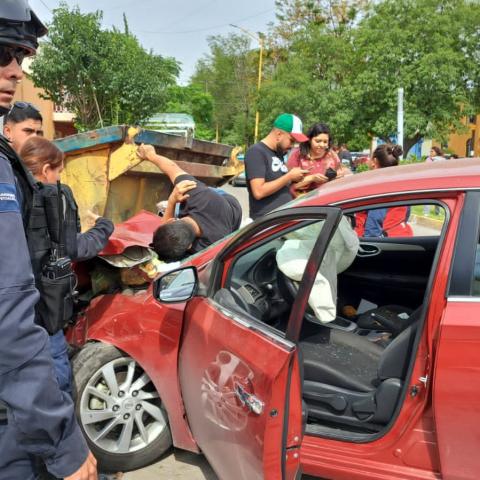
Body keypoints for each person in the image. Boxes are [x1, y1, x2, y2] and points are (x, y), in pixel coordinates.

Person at [0, 2, 97, 479]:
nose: (15, 70)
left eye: (19, 55)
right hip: (31, 346)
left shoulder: (21, 178)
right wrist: (64, 446)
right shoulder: (23, 183)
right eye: (2, 53)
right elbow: (10, 305)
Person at [20, 136, 114, 395]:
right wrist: (104, 227)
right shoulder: (53, 197)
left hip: (15, 305)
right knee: (57, 366)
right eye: (59, 171)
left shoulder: (12, 192)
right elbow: (74, 248)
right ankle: (58, 416)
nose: (60, 177)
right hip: (45, 305)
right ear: (47, 169)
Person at [137, 144, 242, 262]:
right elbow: (172, 168)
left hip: (229, 207)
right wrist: (150, 154)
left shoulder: (210, 247)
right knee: (181, 196)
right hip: (222, 207)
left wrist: (172, 201)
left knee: (180, 200)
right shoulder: (193, 192)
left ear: (189, 247)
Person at [244, 113, 310, 219]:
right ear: (279, 134)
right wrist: (289, 176)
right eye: (292, 141)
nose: (292, 146)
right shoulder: (256, 152)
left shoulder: (279, 153)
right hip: (267, 223)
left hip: (282, 220)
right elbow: (258, 191)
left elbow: (278, 183)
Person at [355, 144, 413, 238]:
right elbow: (406, 213)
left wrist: (368, 247)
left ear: (375, 161)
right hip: (401, 238)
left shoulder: (379, 188)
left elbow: (373, 225)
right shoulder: (401, 186)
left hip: (382, 244)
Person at [287, 123, 350, 197]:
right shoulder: (297, 155)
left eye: (325, 142)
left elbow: (341, 174)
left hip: (327, 199)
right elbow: (289, 185)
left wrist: (340, 176)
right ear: (309, 140)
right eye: (318, 141)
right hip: (303, 201)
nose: (322, 145)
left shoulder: (332, 155)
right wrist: (311, 178)